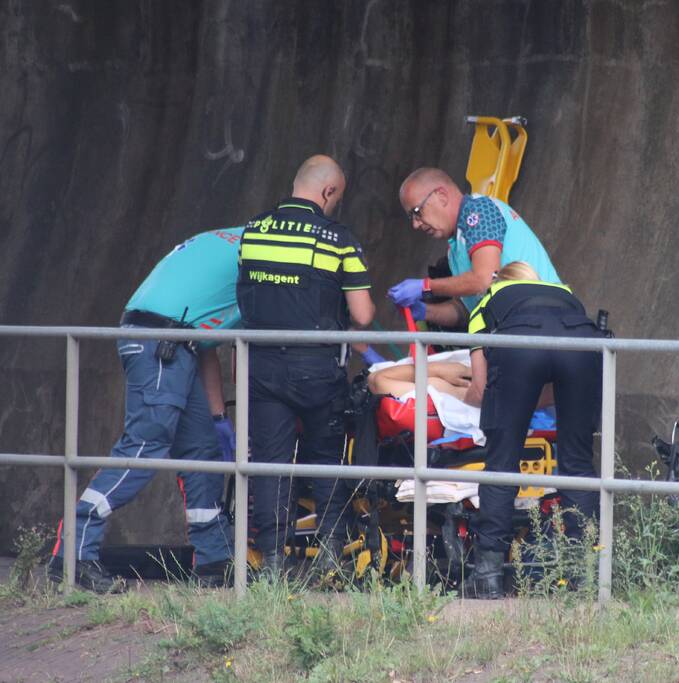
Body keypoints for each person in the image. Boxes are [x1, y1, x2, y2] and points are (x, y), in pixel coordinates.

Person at [48, 227, 243, 593]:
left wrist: (218, 420)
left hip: (176, 341)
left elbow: (208, 348)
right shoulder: (265, 255)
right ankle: (73, 552)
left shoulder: (228, 241)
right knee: (145, 444)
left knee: (203, 449)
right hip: (161, 342)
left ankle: (215, 560)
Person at [237, 154, 375, 576]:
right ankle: (332, 552)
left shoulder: (252, 231)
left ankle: (273, 562)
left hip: (260, 366)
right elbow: (364, 315)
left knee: (270, 463)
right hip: (317, 368)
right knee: (324, 458)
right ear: (328, 192)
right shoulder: (338, 239)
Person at [460, 262, 602, 599]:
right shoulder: (565, 292)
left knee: (501, 464)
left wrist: (511, 404)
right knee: (578, 463)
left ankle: (489, 575)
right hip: (583, 345)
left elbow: (481, 389)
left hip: (519, 345)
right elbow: (557, 374)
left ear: (501, 280)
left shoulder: (487, 299)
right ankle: (583, 575)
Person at [388, 167, 560, 329]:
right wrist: (425, 311)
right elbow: (466, 310)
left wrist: (425, 286)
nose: (415, 224)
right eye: (411, 217)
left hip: (546, 320)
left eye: (417, 212)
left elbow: (485, 280)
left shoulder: (479, 211)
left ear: (441, 196)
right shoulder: (455, 246)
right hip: (522, 326)